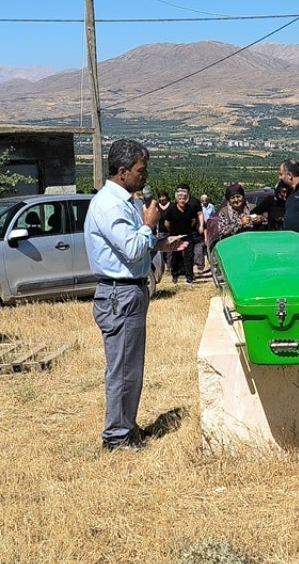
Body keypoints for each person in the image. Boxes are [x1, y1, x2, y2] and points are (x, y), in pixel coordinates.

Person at [83, 139, 186, 451]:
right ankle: (116, 436)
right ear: (122, 171)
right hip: (119, 295)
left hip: (129, 293)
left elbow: (132, 244)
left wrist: (160, 243)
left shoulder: (125, 201)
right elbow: (130, 248)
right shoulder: (109, 204)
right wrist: (149, 226)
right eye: (141, 170)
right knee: (124, 368)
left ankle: (125, 425)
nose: (145, 176)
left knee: (130, 366)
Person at [162, 188, 201, 284]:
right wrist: (173, 232)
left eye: (184, 198)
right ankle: (175, 276)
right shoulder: (171, 209)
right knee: (175, 257)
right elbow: (167, 223)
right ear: (176, 199)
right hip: (175, 236)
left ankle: (189, 278)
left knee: (189, 257)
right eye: (180, 198)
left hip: (188, 236)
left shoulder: (190, 209)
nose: (182, 200)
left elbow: (193, 221)